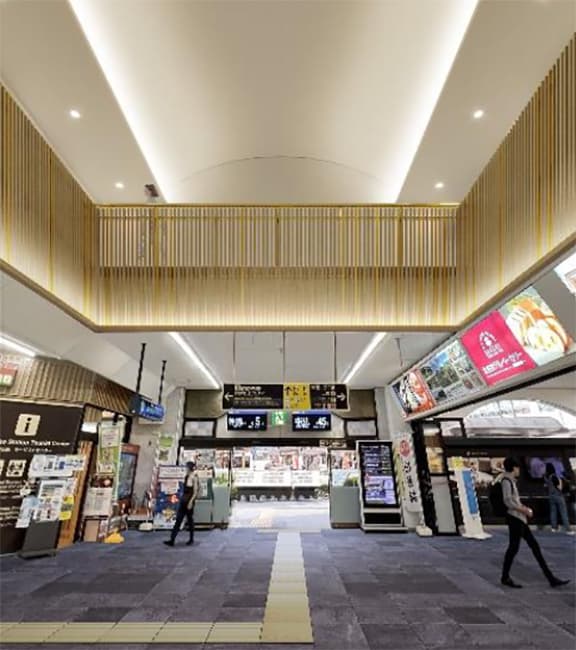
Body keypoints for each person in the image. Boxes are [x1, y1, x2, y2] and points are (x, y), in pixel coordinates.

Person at [499, 457, 570, 589]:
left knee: (533, 547)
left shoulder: (510, 480)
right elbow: (508, 501)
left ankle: (550, 578)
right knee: (514, 548)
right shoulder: (506, 481)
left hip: (520, 518)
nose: (519, 470)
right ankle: (505, 577)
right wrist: (525, 509)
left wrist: (523, 510)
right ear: (514, 468)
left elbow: (512, 501)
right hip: (515, 518)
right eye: (517, 467)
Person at [164, 461, 199, 547]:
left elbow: (195, 491)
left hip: (189, 501)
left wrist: (191, 502)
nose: (185, 469)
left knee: (190, 520)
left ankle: (191, 539)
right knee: (178, 520)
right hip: (183, 500)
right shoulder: (186, 477)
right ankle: (172, 539)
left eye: (186, 467)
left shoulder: (194, 477)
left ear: (190, 468)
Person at [544, 462, 574, 535]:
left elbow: (546, 485)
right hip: (558, 496)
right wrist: (560, 481)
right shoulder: (554, 477)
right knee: (563, 512)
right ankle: (568, 530)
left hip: (551, 496)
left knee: (553, 512)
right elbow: (559, 488)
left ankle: (554, 528)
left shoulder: (546, 477)